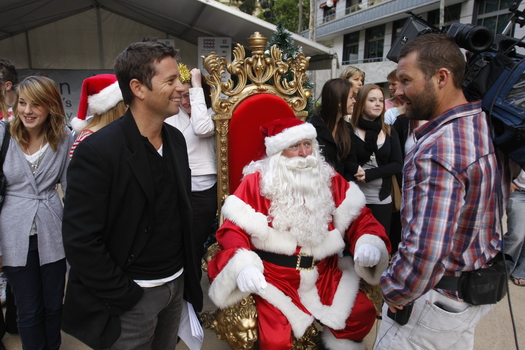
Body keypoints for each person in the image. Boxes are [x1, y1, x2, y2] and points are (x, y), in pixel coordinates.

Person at [61, 39, 203, 349]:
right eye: (171, 80)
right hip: (131, 297)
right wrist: (125, 294)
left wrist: (183, 281)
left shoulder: (176, 140)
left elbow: (180, 212)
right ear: (138, 88)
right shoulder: (98, 151)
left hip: (175, 287)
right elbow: (80, 240)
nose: (182, 87)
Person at [207, 118, 391, 350]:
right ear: (278, 153)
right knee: (275, 340)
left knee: (361, 313)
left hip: (325, 276)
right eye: (295, 146)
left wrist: (368, 242)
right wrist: (243, 265)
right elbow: (232, 230)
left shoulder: (329, 179)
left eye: (308, 144)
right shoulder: (257, 182)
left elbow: (360, 218)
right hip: (276, 278)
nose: (305, 153)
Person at [374, 34, 506, 350]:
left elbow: (425, 252)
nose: (398, 91)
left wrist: (393, 291)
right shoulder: (477, 122)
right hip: (463, 299)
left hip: (430, 306)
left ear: (441, 77)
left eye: (406, 80)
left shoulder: (437, 150)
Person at [0, 75, 73, 350]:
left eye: (36, 104)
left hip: (52, 228)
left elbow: (70, 190)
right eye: (22, 102)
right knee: (28, 309)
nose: (27, 110)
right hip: (13, 231)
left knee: (54, 305)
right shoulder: (3, 134)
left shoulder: (65, 138)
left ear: (51, 106)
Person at [165, 64, 217, 270]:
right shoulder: (171, 116)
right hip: (176, 187)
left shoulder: (213, 113)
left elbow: (201, 128)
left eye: (190, 95)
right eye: (181, 95)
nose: (185, 101)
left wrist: (197, 84)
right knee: (176, 245)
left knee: (193, 246)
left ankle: (192, 297)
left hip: (203, 192)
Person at [348, 84, 402, 236]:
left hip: (381, 199)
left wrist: (371, 174)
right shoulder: (349, 130)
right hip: (355, 200)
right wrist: (354, 168)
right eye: (372, 100)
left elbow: (397, 165)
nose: (378, 104)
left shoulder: (389, 130)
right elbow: (343, 160)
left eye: (380, 100)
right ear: (361, 103)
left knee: (380, 245)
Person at [68, 73, 127, 158]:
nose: (129, 106)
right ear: (114, 106)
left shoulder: (117, 133)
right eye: (125, 102)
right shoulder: (86, 140)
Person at [309, 78, 355, 178]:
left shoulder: (347, 128)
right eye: (351, 97)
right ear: (339, 101)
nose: (354, 101)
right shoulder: (312, 128)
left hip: (343, 187)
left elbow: (350, 160)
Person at [503, 169, 525, 286]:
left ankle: (521, 272)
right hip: (519, 191)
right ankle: (503, 268)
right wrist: (510, 181)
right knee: (516, 234)